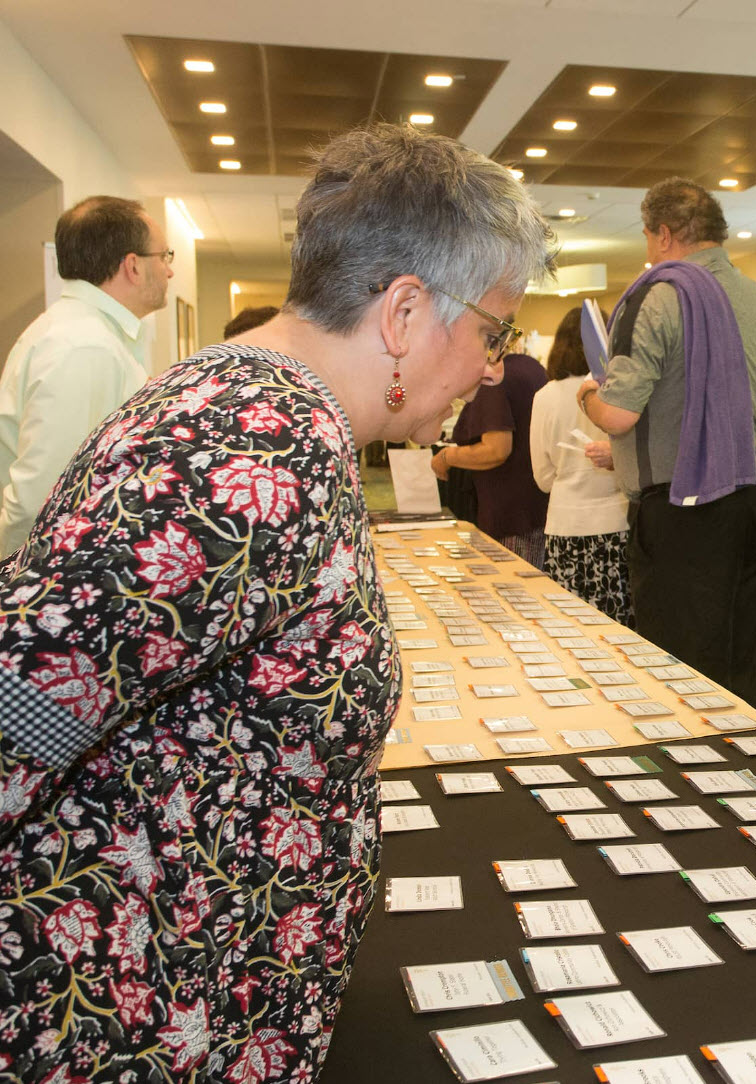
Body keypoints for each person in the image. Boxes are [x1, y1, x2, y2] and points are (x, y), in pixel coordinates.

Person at [0, 123, 552, 1080]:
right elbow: (22, 704)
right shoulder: (252, 446)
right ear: (407, 313)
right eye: (493, 332)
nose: (492, 367)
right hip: (141, 1002)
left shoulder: (271, 415)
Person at [579, 177, 756, 717]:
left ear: (665, 235)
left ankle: (688, 789)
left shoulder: (658, 294)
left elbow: (620, 415)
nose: (649, 251)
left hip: (687, 503)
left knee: (680, 664)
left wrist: (586, 395)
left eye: (648, 237)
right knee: (747, 648)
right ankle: (754, 773)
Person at [0, 196, 171, 556]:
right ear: (133, 266)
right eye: (164, 256)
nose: (169, 271)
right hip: (43, 585)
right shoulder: (84, 345)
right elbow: (42, 499)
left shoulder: (87, 333)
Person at [530, 306, 632, 625]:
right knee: (620, 627)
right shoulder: (620, 392)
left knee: (571, 626)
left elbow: (543, 478)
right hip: (617, 522)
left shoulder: (545, 396)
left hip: (564, 526)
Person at [431, 351, 551, 565]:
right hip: (536, 507)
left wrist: (447, 456)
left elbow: (495, 450)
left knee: (513, 587)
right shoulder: (530, 366)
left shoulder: (493, 378)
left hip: (509, 513)